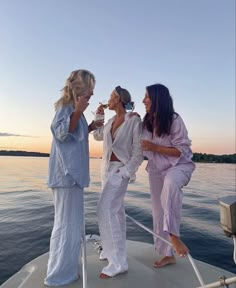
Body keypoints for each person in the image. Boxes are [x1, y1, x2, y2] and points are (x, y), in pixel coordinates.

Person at [44, 69, 103, 286]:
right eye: (90, 89)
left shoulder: (73, 109)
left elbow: (72, 136)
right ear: (80, 88)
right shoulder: (65, 107)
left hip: (72, 176)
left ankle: (66, 269)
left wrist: (89, 127)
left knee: (71, 225)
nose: (92, 94)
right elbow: (60, 133)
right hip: (66, 176)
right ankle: (58, 276)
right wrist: (78, 111)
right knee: (66, 225)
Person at [141, 83, 195, 268]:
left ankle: (174, 236)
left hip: (179, 166)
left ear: (157, 98)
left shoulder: (174, 119)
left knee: (171, 185)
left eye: (147, 97)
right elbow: (138, 144)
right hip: (156, 168)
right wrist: (131, 120)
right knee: (158, 211)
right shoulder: (147, 121)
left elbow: (181, 150)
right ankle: (167, 254)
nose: (143, 100)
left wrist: (155, 147)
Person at [93, 86, 143, 278]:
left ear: (119, 99)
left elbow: (139, 150)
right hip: (105, 170)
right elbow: (97, 136)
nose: (108, 100)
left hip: (119, 170)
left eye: (111, 97)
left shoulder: (133, 120)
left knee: (105, 209)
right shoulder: (111, 120)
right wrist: (99, 118)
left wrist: (127, 171)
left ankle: (118, 263)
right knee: (117, 212)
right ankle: (109, 250)